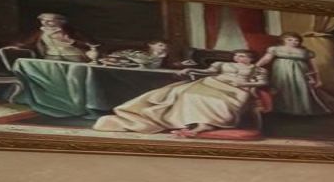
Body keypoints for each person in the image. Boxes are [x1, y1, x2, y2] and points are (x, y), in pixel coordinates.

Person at [92, 49, 269, 135]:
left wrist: (245, 83)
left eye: (243, 56)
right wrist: (190, 70)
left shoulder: (258, 69)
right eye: (237, 55)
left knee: (219, 102)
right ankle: (188, 123)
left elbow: (263, 82)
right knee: (188, 94)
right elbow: (207, 72)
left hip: (238, 89)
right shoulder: (222, 64)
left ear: (250, 58)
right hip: (213, 83)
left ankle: (205, 125)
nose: (238, 58)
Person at [256, 32, 334, 115]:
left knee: (301, 88)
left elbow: (313, 65)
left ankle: (301, 111)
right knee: (282, 88)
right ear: (283, 40)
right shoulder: (276, 49)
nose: (293, 42)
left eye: (296, 40)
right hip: (282, 72)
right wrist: (256, 65)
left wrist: (317, 78)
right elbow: (266, 59)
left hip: (300, 72)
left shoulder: (304, 51)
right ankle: (284, 111)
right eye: (289, 40)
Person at [17, 13, 98, 62]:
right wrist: (17, 46)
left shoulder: (72, 31)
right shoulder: (41, 31)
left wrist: (70, 41)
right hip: (51, 57)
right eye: (43, 20)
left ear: (61, 22)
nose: (45, 22)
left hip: (74, 56)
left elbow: (91, 45)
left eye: (50, 21)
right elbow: (29, 42)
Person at [101, 40, 195, 69]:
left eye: (165, 46)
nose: (163, 48)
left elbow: (169, 65)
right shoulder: (142, 54)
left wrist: (181, 63)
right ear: (151, 45)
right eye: (160, 45)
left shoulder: (166, 56)